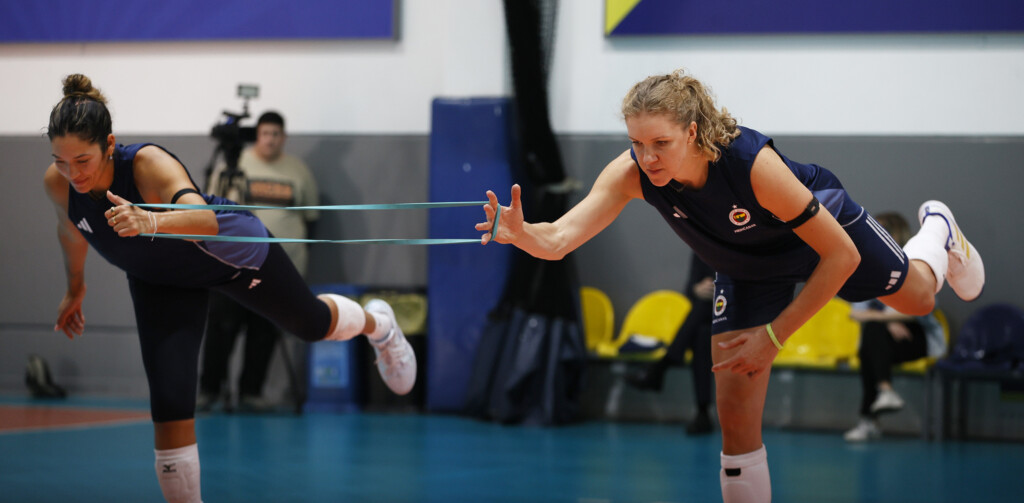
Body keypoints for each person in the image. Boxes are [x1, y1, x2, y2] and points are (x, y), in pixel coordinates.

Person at [476, 69, 984, 503]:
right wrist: (522, 234)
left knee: (919, 299)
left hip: (820, 236)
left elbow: (842, 256)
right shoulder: (632, 174)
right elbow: (560, 238)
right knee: (736, 415)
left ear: (692, 132)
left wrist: (775, 336)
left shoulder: (750, 165)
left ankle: (938, 229)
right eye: (636, 143)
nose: (647, 157)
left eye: (660, 143)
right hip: (746, 269)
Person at [44, 74, 416, 503]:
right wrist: (75, 288)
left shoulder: (146, 163)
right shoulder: (58, 183)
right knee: (169, 403)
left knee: (313, 325)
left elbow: (204, 220)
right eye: (61, 161)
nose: (73, 173)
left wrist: (150, 220)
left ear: (109, 144)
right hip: (159, 279)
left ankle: (380, 324)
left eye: (83, 160)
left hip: (232, 254)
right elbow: (71, 230)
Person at [197, 111, 320, 413]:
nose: (270, 139)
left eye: (276, 134)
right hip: (232, 265)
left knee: (264, 330)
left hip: (279, 268)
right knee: (221, 327)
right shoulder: (232, 167)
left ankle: (251, 393)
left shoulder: (298, 170)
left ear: (284, 137)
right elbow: (207, 211)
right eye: (265, 133)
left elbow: (312, 217)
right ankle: (210, 390)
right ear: (257, 136)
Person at [843, 212, 947, 442]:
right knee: (871, 341)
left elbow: (924, 305)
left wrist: (883, 318)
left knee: (871, 341)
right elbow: (856, 313)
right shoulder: (867, 267)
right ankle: (885, 392)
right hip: (885, 340)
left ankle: (869, 419)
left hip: (916, 337)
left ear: (897, 235)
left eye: (884, 231)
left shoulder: (915, 263)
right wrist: (890, 320)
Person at [626, 253, 715, 435]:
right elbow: (690, 288)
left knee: (703, 310)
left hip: (737, 314)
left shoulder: (738, 244)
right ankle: (703, 414)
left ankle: (662, 366)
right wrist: (697, 289)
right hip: (709, 321)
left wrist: (722, 290)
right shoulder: (702, 247)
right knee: (701, 335)